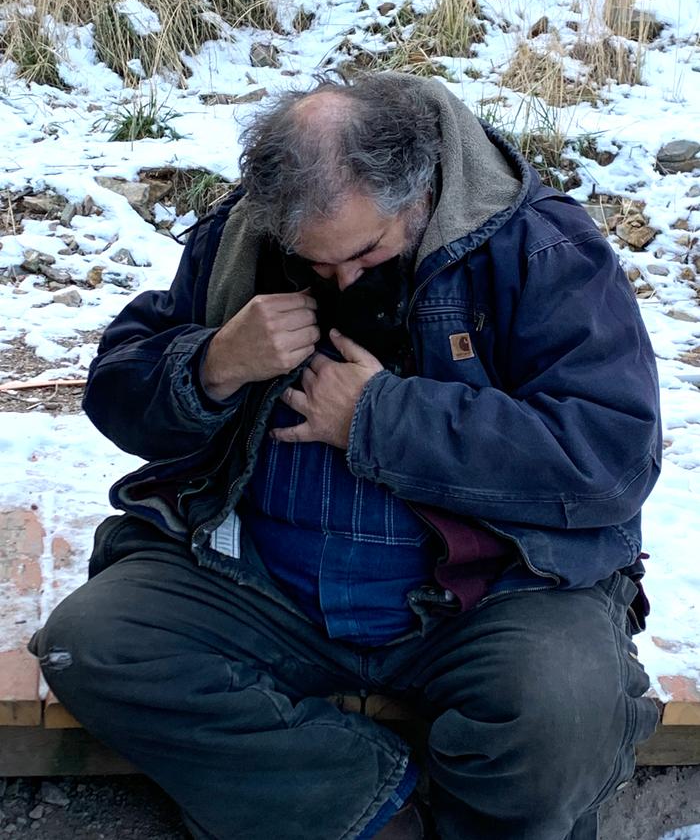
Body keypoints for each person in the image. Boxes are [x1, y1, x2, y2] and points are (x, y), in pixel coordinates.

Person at [30, 73, 662, 840]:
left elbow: (613, 456)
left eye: (365, 254)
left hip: (486, 594)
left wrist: (380, 418)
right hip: (266, 588)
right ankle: (372, 810)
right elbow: (117, 385)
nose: (341, 282)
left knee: (563, 711)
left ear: (420, 190)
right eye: (313, 264)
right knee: (95, 644)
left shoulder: (539, 243)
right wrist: (212, 364)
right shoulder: (243, 236)